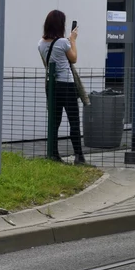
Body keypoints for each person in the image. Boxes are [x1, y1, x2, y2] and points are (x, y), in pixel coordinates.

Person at [38, 10, 85, 164]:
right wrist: (73, 40)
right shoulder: (64, 43)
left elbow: (47, 64)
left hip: (51, 86)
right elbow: (74, 58)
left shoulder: (41, 44)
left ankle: (53, 154)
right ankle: (79, 156)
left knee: (54, 121)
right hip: (67, 85)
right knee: (74, 121)